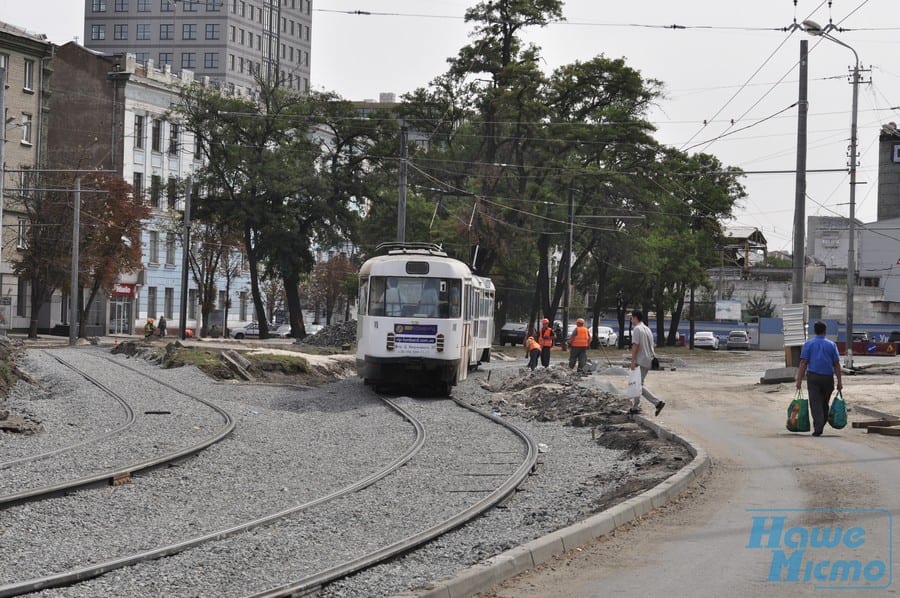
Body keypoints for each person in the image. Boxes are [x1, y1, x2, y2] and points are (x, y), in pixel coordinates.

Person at [795, 320, 843, 436]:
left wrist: (799, 380)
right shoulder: (831, 345)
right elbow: (836, 364)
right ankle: (821, 423)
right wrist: (839, 382)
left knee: (815, 402)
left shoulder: (809, 344)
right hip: (828, 378)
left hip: (813, 377)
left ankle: (818, 426)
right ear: (825, 331)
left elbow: (803, 363)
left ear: (814, 331)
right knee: (824, 403)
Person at [628, 309, 665, 416]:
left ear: (635, 318)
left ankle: (657, 403)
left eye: (632, 318)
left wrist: (633, 360)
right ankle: (635, 407)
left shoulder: (637, 329)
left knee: (638, 385)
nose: (631, 320)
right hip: (649, 360)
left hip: (641, 360)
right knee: (639, 383)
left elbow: (635, 345)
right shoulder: (647, 329)